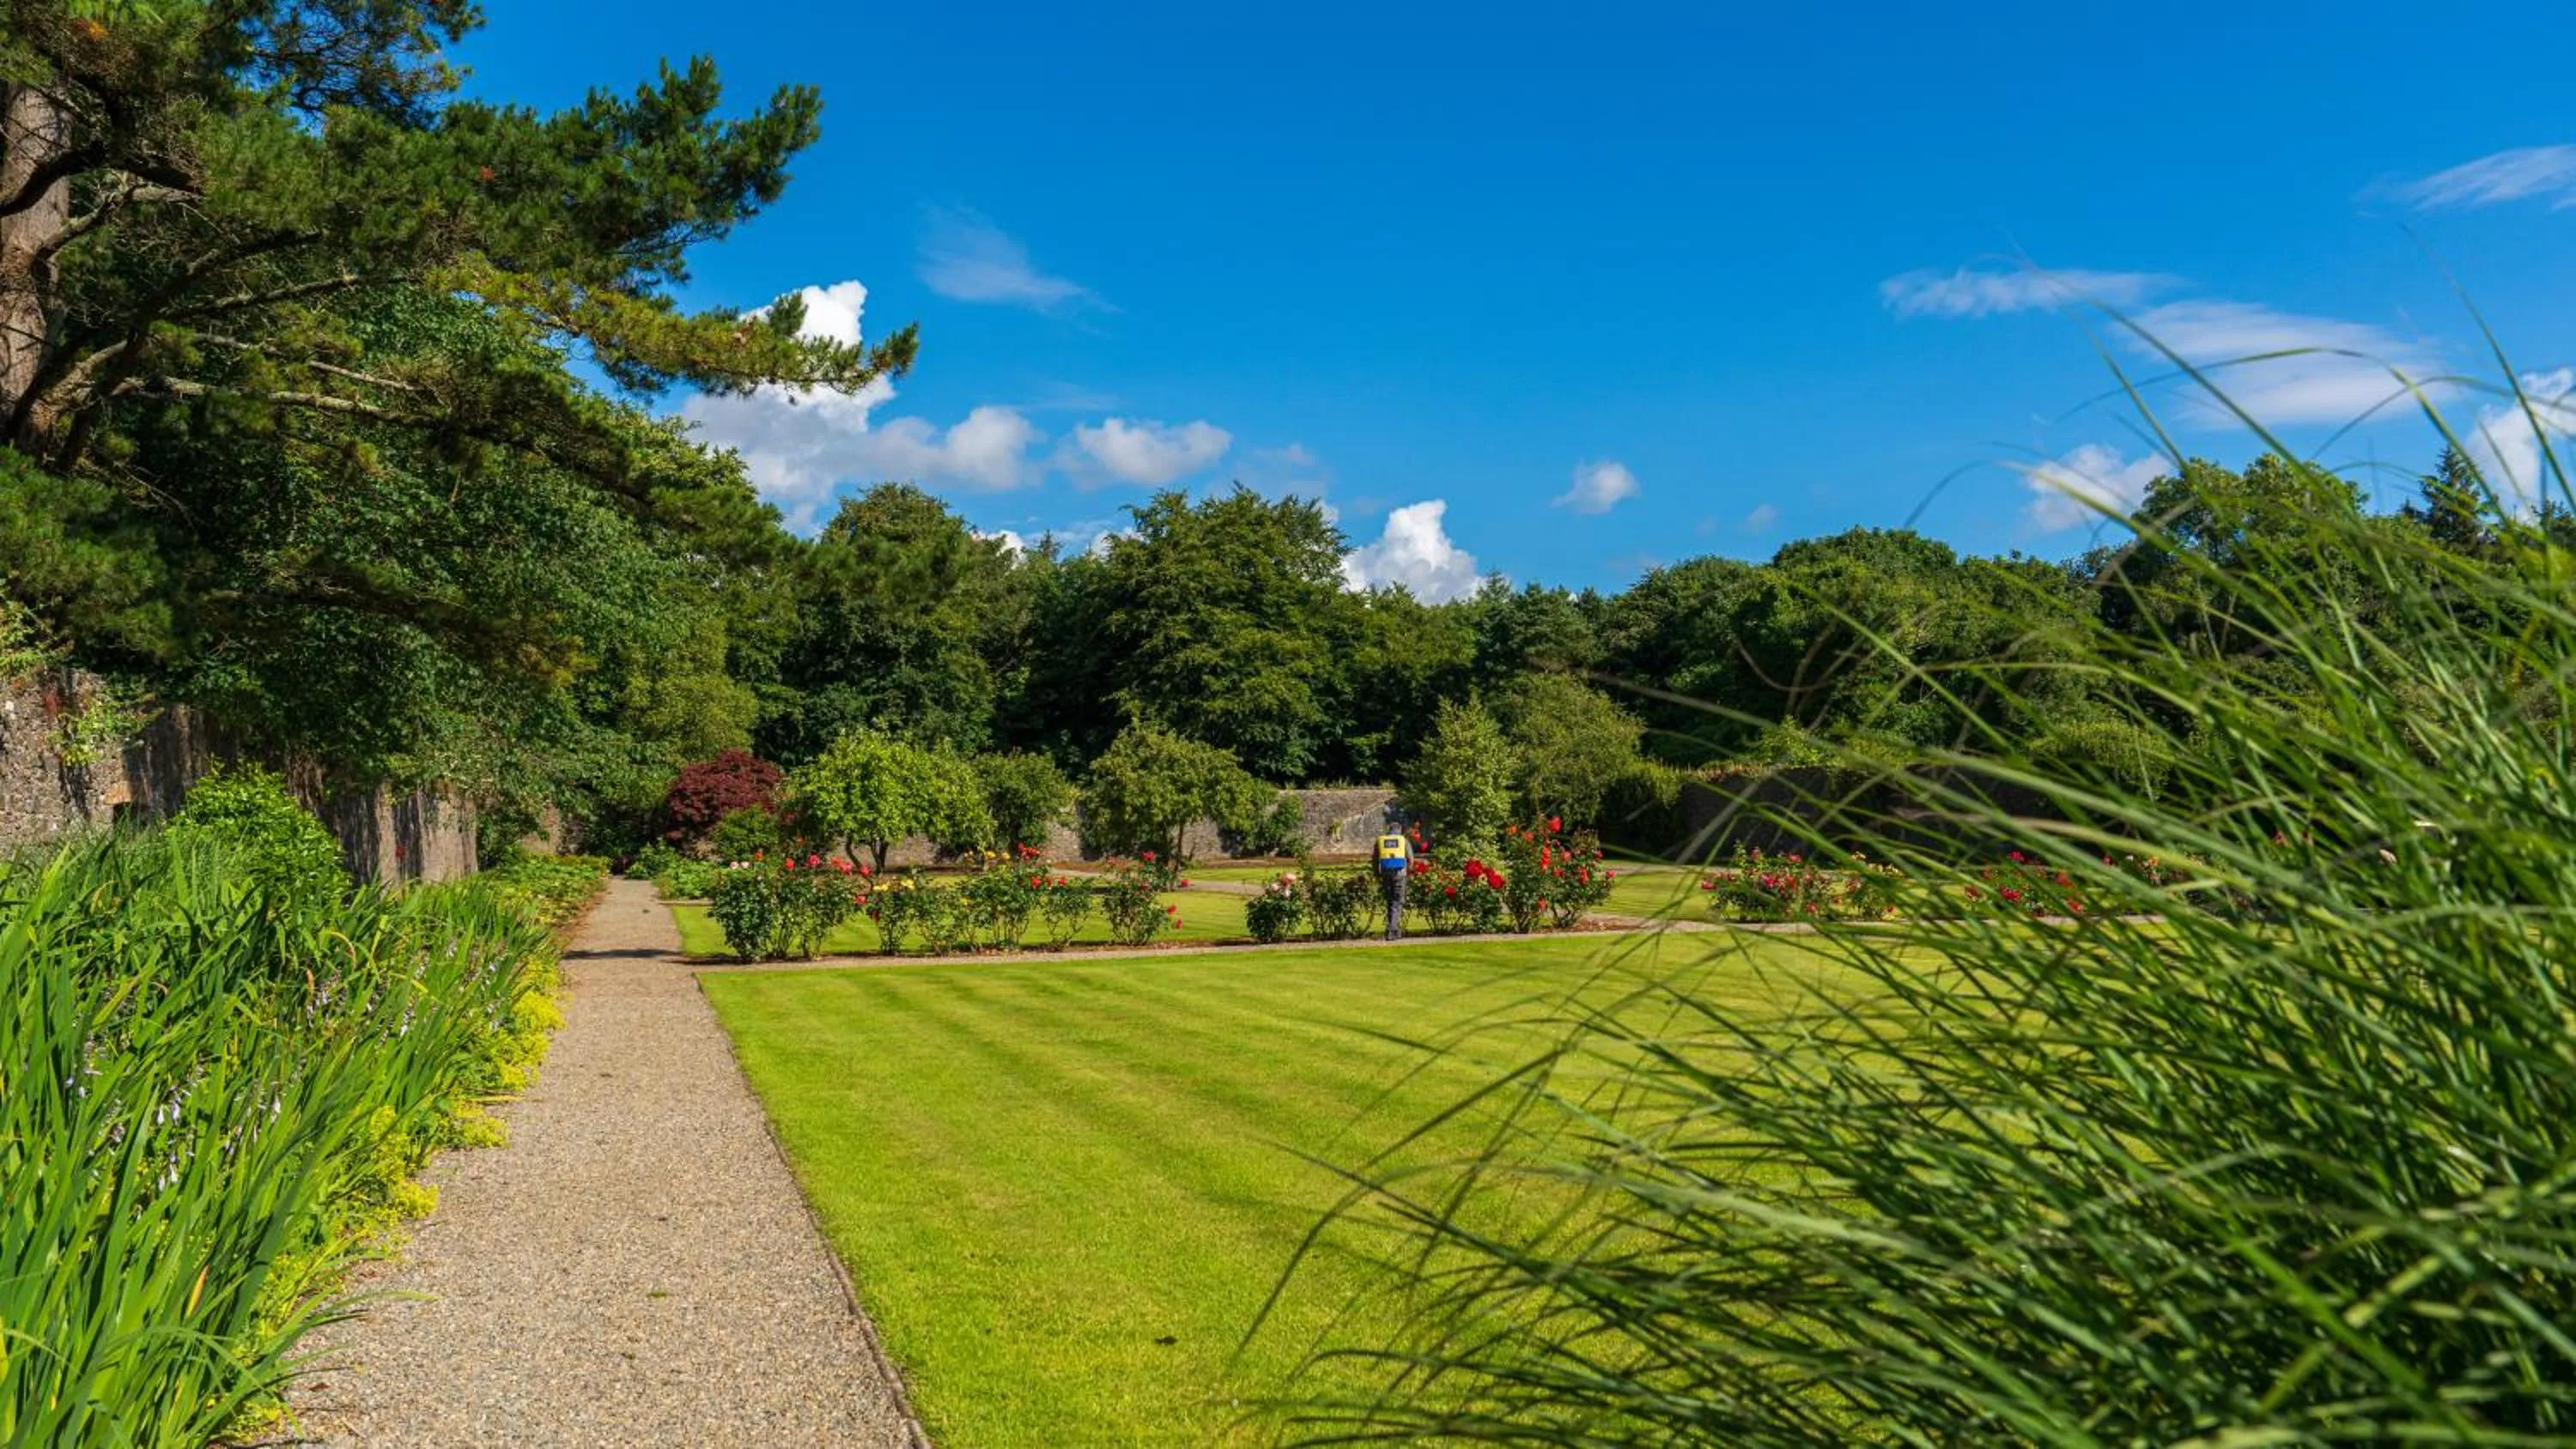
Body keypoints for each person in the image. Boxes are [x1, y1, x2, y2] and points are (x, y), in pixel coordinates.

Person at [1374, 818, 1415, 940]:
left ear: (1389, 830)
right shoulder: (1403, 841)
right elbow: (1411, 859)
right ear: (1399, 830)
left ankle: (1393, 929)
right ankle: (1392, 931)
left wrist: (1376, 874)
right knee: (1397, 902)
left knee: (1390, 901)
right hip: (1400, 874)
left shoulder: (1380, 841)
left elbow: (1375, 860)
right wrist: (1410, 873)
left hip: (1385, 874)